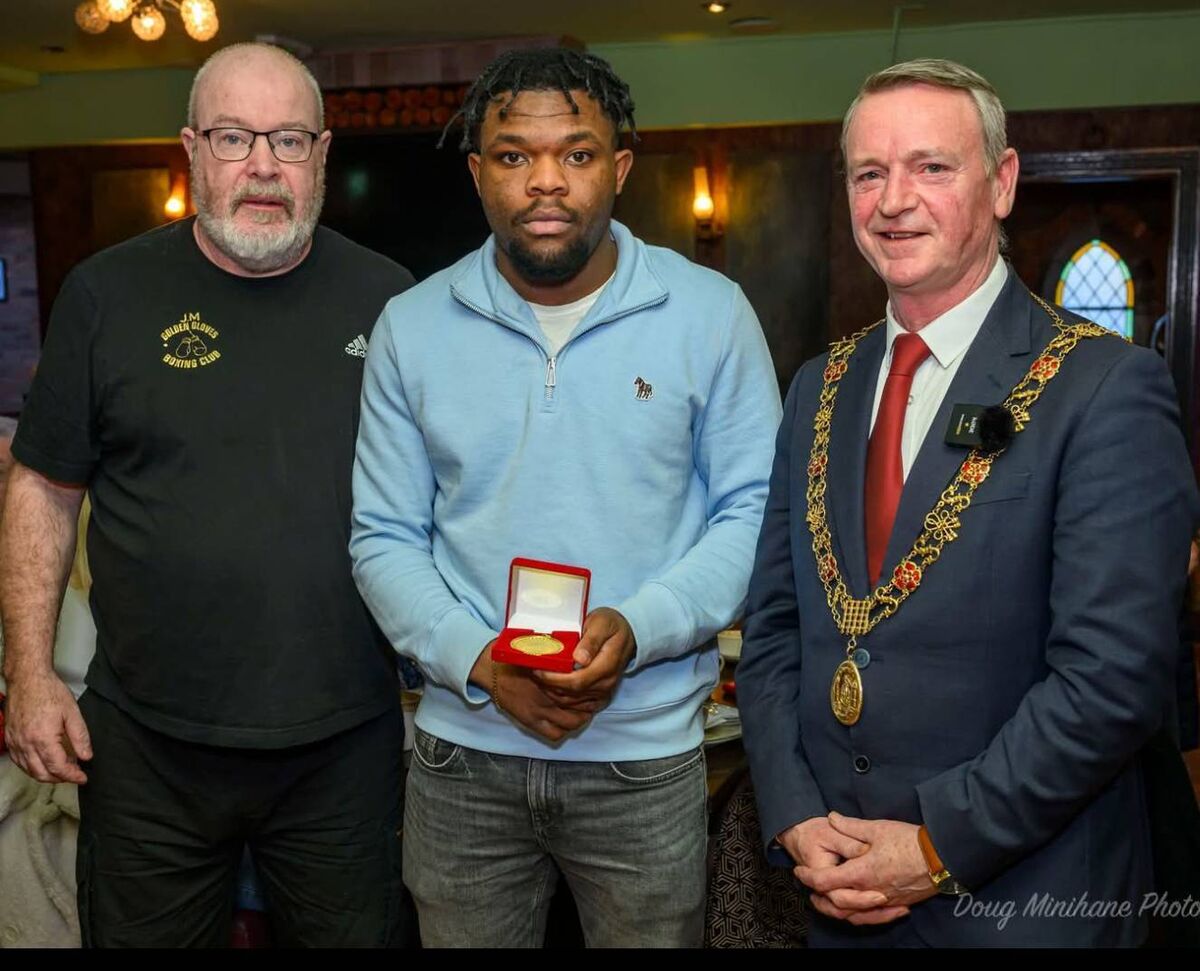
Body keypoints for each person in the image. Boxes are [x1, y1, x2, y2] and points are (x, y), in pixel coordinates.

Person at [738, 58, 1199, 946]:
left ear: (1002, 183)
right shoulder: (818, 387)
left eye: (930, 167)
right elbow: (774, 631)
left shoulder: (1106, 389)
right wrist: (796, 813)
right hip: (836, 897)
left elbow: (1111, 681)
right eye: (868, 173)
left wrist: (938, 842)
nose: (893, 199)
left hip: (1027, 900)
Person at [350, 47, 781, 947]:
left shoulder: (711, 313)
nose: (545, 182)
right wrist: (483, 663)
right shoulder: (412, 326)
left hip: (646, 756)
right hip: (460, 755)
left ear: (618, 169)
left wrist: (643, 624)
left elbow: (753, 517)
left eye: (577, 154)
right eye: (513, 156)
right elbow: (385, 536)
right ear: (477, 174)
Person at [0, 42, 414, 947]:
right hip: (147, 745)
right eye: (234, 137)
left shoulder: (392, 304)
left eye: (288, 139)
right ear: (190, 150)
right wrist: (29, 675)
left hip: (343, 744)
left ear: (323, 155)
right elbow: (42, 485)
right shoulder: (105, 295)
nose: (262, 165)